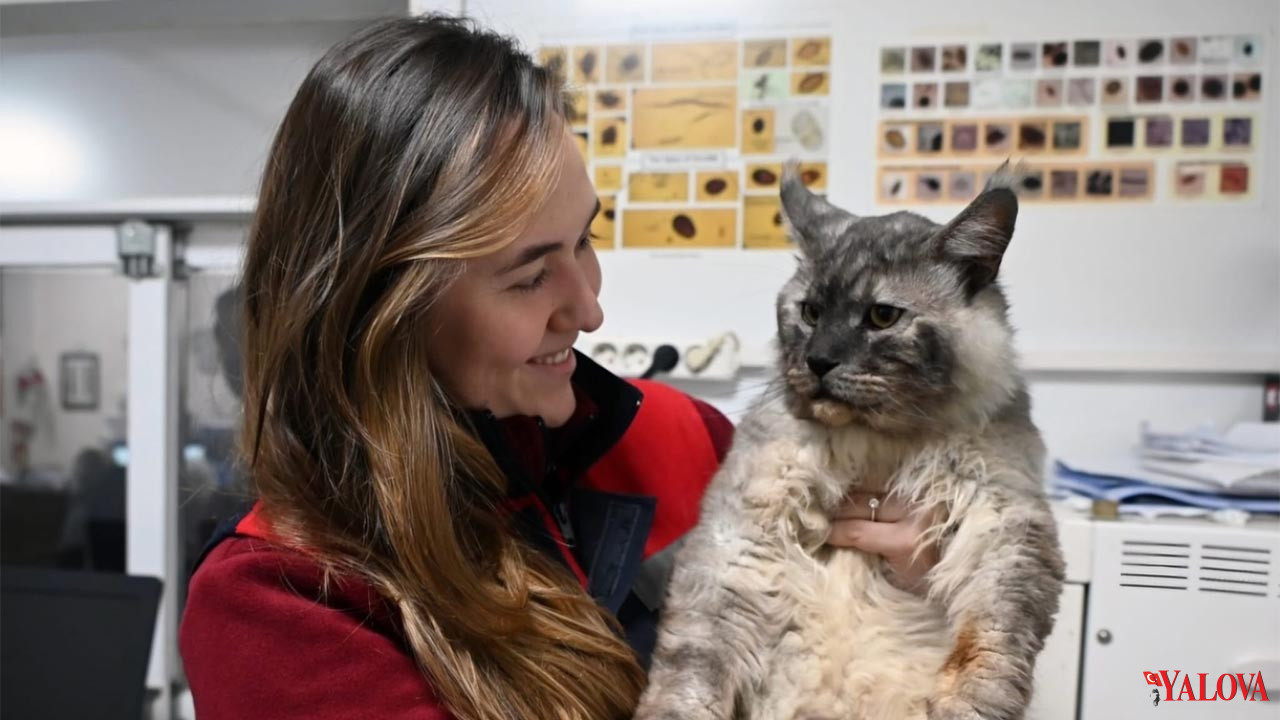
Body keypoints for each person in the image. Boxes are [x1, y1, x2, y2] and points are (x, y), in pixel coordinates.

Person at [179, 15, 939, 720]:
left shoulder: (684, 440)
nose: (589, 309)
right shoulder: (278, 603)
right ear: (384, 312)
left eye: (586, 239)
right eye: (529, 276)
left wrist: (918, 601)